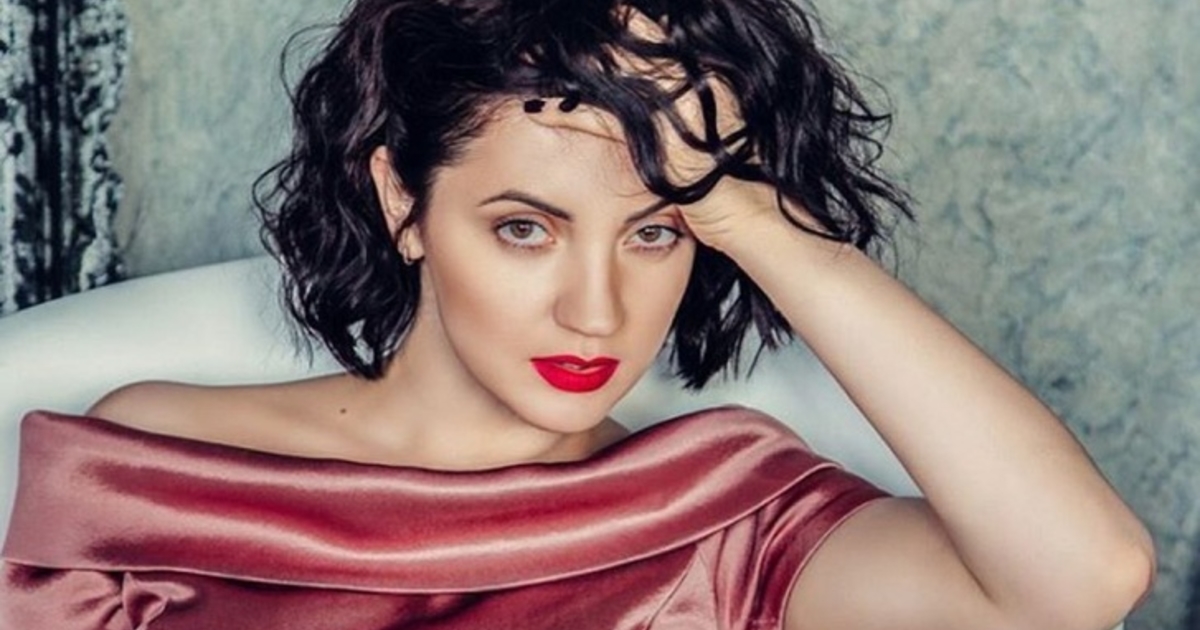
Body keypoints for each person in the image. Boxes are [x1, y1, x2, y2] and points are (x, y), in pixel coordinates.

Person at [1, 0, 1154, 628]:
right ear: (403, 200)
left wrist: (755, 220)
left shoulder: (730, 516)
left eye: (654, 233)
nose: (597, 312)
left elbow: (1081, 579)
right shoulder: (155, 456)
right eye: (525, 228)